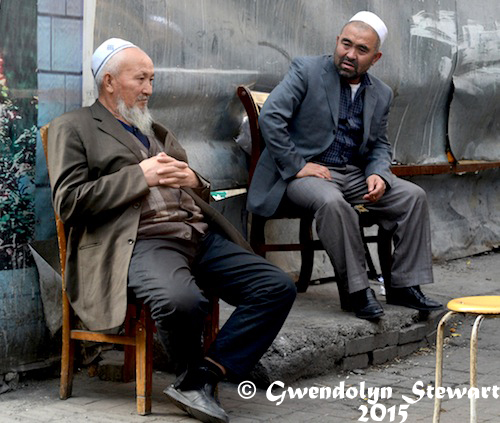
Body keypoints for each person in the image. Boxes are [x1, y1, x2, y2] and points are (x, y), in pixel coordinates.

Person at [47, 38, 296, 423]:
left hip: (195, 235)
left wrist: (194, 178)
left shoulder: (154, 128)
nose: (149, 89)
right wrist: (139, 175)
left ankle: (203, 375)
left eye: (152, 79)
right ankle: (199, 377)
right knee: (182, 301)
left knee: (276, 287)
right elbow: (69, 202)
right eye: (140, 79)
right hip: (140, 242)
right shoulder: (74, 127)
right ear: (109, 82)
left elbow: (198, 190)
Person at [247, 11, 442, 320]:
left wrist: (378, 172)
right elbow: (271, 118)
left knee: (412, 197)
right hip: (303, 175)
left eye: (361, 50)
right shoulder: (306, 70)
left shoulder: (380, 93)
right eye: (346, 44)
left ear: (375, 58)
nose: (350, 54)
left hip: (352, 173)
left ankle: (403, 286)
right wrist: (298, 165)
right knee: (332, 202)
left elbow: (379, 144)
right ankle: (356, 291)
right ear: (337, 42)